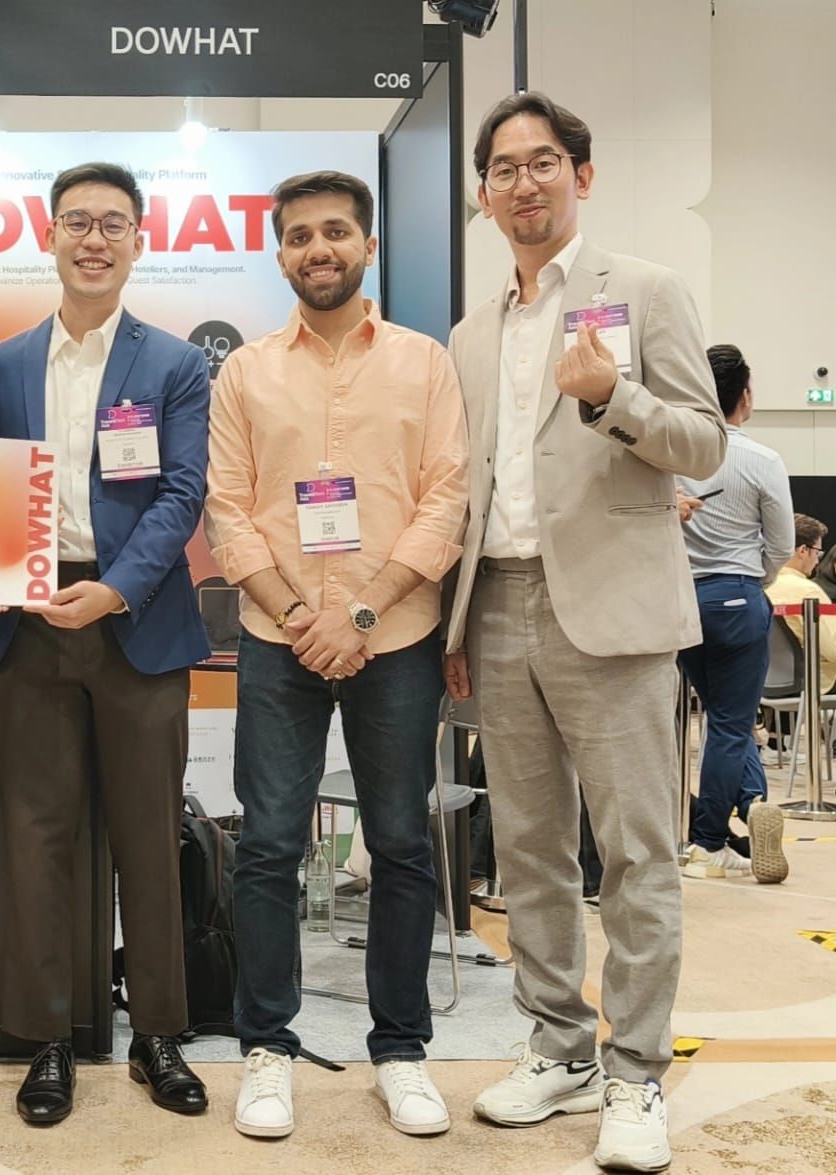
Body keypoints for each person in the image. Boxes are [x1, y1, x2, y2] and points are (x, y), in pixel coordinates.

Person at [443, 92, 726, 1173]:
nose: (523, 183)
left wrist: (614, 397)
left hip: (613, 611)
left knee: (637, 851)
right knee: (526, 850)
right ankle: (558, 1045)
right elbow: (473, 485)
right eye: (503, 169)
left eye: (542, 162)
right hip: (499, 603)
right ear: (482, 196)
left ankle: (635, 1070)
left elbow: (701, 442)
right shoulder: (471, 332)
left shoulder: (644, 291)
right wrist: (457, 617)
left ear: (581, 175)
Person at [204, 170, 469, 1140]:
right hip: (279, 639)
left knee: (398, 845)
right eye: (299, 236)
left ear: (368, 246)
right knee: (269, 845)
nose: (318, 249)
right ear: (279, 253)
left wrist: (357, 614)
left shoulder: (424, 363)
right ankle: (265, 1047)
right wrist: (295, 611)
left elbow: (446, 496)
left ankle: (400, 1049)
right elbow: (228, 509)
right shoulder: (244, 372)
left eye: (336, 232)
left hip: (393, 636)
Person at [0, 162, 210, 1125]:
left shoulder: (175, 363)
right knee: (37, 836)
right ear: (51, 235)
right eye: (77, 222)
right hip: (26, 624)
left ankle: (157, 1032)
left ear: (139, 240)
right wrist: (0, 578)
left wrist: (113, 589)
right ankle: (48, 1039)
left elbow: (181, 492)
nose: (94, 239)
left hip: (136, 621)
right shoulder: (0, 366)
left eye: (113, 223)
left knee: (149, 837)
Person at [675, 344, 793, 885]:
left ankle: (751, 804)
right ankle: (708, 843)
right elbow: (782, 544)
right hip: (738, 596)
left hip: (681, 601)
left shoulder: (672, 456)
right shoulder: (762, 459)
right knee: (730, 722)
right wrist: (756, 579)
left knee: (725, 715)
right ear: (745, 397)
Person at [766, 515, 836, 696]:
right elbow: (834, 650)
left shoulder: (760, 586)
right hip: (815, 685)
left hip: (765, 685)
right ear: (803, 550)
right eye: (817, 553)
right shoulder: (808, 591)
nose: (818, 561)